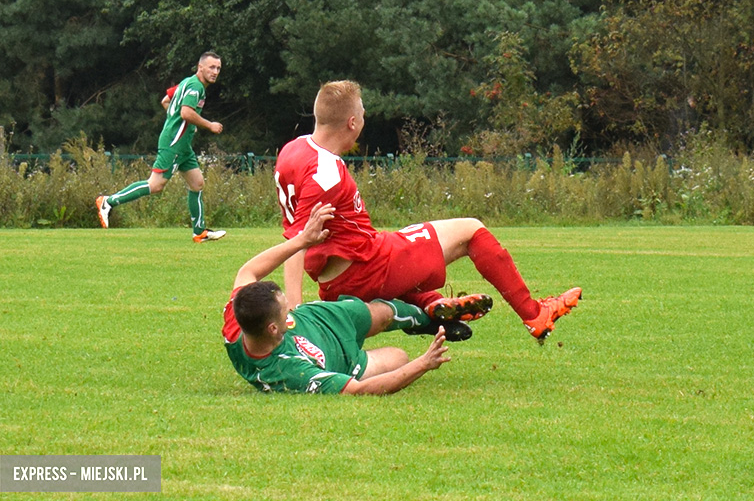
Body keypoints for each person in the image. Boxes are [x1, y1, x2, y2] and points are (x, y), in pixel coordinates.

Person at [274, 80, 581, 342]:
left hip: (334, 281)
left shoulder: (293, 149)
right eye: (363, 115)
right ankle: (535, 314)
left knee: (409, 244)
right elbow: (299, 240)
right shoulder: (325, 170)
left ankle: (430, 305)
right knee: (471, 231)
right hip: (368, 267)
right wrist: (297, 313)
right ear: (352, 122)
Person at [223, 202, 464, 395]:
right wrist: (423, 363)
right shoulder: (288, 372)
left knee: (384, 313)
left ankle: (427, 317)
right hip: (346, 361)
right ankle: (430, 319)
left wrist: (302, 240)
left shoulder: (239, 316)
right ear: (273, 328)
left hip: (326, 319)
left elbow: (248, 272)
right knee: (400, 358)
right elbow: (357, 390)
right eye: (286, 314)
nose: (290, 314)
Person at [96, 51, 226, 243]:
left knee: (197, 183)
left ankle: (199, 232)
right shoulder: (196, 87)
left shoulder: (186, 82)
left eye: (218, 68)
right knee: (155, 185)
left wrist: (178, 122)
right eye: (211, 67)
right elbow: (186, 113)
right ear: (200, 67)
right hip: (174, 143)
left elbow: (166, 100)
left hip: (182, 145)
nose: (215, 71)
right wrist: (209, 125)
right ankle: (108, 201)